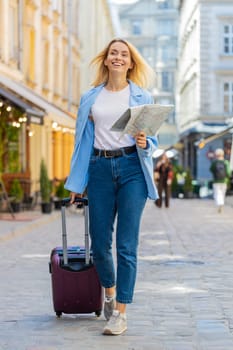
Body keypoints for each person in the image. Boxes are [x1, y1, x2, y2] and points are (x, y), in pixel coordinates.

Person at [64, 38, 159, 335]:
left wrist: (145, 143)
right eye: (113, 53)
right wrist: (77, 182)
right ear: (106, 60)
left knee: (126, 245)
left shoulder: (142, 97)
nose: (118, 58)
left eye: (124, 54)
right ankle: (110, 293)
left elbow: (152, 142)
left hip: (132, 169)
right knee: (101, 243)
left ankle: (121, 313)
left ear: (131, 63)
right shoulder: (90, 98)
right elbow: (82, 143)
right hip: (100, 169)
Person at [209, 148, 231, 213]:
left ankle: (219, 203)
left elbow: (211, 170)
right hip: (224, 180)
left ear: (216, 155)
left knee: (217, 193)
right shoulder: (226, 162)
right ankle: (221, 203)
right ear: (222, 154)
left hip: (216, 180)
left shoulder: (215, 162)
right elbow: (228, 172)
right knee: (222, 193)